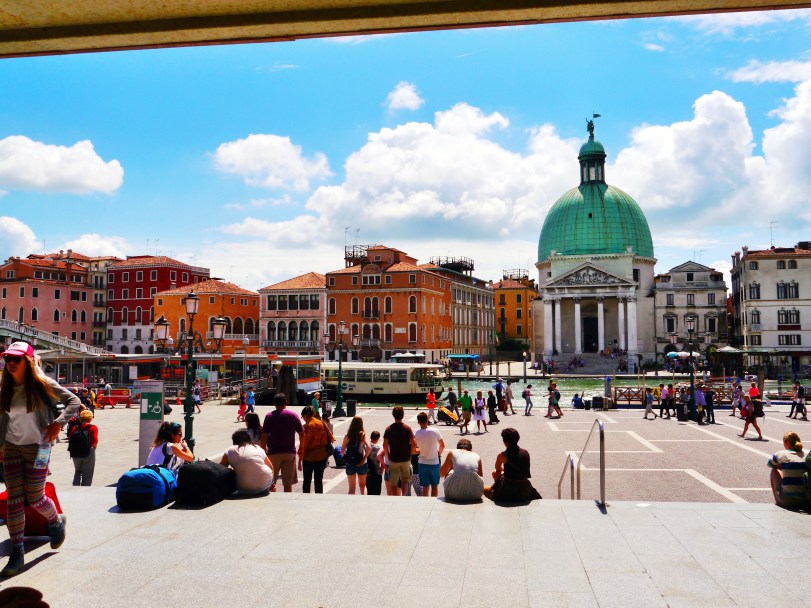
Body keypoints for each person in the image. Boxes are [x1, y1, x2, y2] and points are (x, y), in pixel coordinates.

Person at [0, 342, 81, 577]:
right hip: (12, 447)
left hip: (40, 447)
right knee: (14, 499)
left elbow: (74, 402)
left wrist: (58, 424)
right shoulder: (5, 387)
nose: (11, 363)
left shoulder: (43, 384)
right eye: (7, 359)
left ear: (27, 361)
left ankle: (55, 521)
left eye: (16, 359)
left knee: (35, 496)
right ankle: (17, 552)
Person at [483, 427, 542, 503]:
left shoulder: (502, 455)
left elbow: (497, 468)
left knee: (486, 486)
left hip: (508, 490)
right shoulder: (525, 452)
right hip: (524, 489)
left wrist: (504, 470)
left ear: (504, 441)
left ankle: (498, 491)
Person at [260, 393, 303, 492]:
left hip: (273, 453)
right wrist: (301, 447)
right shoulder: (293, 415)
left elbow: (264, 436)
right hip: (289, 452)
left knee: (271, 482)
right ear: (286, 403)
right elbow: (302, 433)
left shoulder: (269, 416)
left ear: (274, 403)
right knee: (288, 483)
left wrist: (263, 451)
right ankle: (287, 499)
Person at [220, 429, 274, 496]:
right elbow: (271, 467)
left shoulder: (230, 450)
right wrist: (272, 484)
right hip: (264, 485)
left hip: (244, 489)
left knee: (230, 472)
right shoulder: (257, 448)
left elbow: (220, 468)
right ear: (249, 439)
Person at [297, 405, 334, 494]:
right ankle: (318, 498)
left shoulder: (305, 427)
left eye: (302, 417)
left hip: (308, 458)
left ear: (305, 415)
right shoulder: (322, 423)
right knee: (318, 481)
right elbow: (330, 438)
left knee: (307, 481)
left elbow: (303, 446)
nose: (303, 419)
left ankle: (306, 498)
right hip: (321, 456)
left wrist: (299, 460)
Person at [768, 431, 808, 509]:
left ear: (786, 442)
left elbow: (769, 464)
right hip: (807, 500)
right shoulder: (808, 454)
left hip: (787, 500)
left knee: (774, 470)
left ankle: (778, 502)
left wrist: (784, 466)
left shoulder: (781, 454)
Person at [382, 406, 416, 496]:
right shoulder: (407, 428)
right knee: (405, 480)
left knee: (393, 482)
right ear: (403, 415)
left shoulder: (389, 429)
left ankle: (395, 497)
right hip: (405, 458)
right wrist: (411, 454)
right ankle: (403, 495)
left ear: (393, 415)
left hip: (393, 458)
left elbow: (385, 445)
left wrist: (388, 455)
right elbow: (414, 443)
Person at [440, 438, 484, 502]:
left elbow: (441, 474)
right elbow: (480, 477)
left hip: (453, 494)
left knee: (449, 470)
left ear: (458, 449)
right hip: (475, 495)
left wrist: (452, 467)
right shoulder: (477, 456)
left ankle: (450, 488)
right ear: (471, 450)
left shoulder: (452, 452)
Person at [414, 412, 445, 498]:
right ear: (427, 420)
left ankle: (425, 503)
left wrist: (422, 450)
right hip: (434, 463)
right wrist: (439, 454)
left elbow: (414, 450)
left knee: (425, 487)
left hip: (422, 463)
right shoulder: (435, 431)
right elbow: (442, 445)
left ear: (418, 422)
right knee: (434, 486)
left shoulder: (416, 434)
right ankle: (433, 503)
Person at [68, 409, 98, 486]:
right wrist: (93, 449)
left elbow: (70, 438)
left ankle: (75, 486)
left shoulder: (75, 427)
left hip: (75, 453)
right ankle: (85, 488)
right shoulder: (93, 427)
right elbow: (95, 440)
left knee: (77, 470)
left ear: (80, 418)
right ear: (90, 418)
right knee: (88, 472)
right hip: (88, 451)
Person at [342, 416, 371, 495]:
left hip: (350, 463)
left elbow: (342, 451)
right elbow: (369, 448)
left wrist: (347, 459)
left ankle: (351, 502)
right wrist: (363, 459)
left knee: (351, 488)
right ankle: (363, 501)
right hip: (361, 463)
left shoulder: (347, 436)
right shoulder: (363, 435)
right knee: (362, 487)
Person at [366, 430, 384, 495]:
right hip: (377, 472)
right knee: (377, 493)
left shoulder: (366, 447)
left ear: (370, 437)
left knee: (369, 492)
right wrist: (381, 471)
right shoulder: (379, 448)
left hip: (368, 472)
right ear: (378, 438)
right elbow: (382, 463)